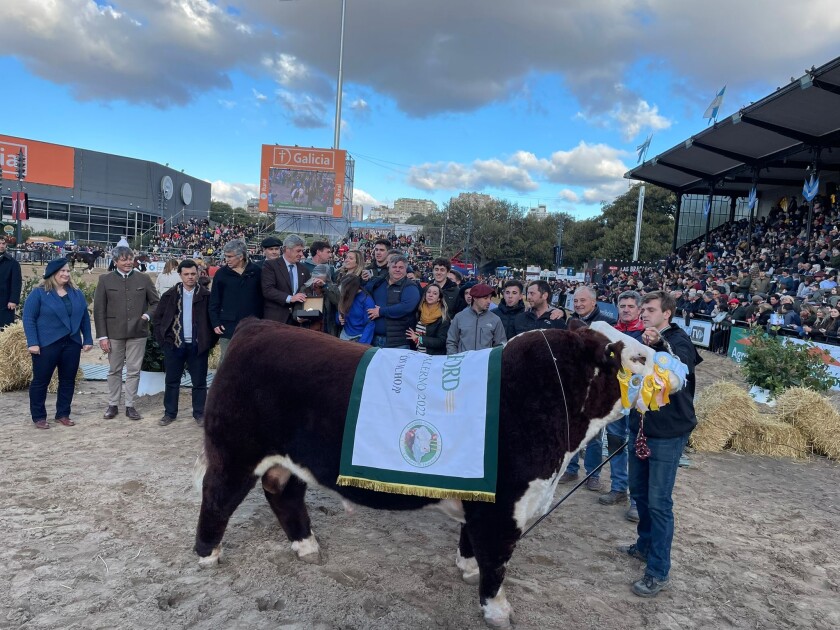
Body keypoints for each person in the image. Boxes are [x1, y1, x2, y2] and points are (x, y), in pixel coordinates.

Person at [618, 290, 700, 597]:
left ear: (666, 313)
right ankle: (644, 544)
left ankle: (658, 570)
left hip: (668, 432)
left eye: (650, 309)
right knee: (638, 492)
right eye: (643, 309)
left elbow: (680, 367)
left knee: (659, 502)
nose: (644, 314)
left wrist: (658, 344)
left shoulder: (678, 340)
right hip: (640, 426)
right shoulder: (642, 339)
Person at [22, 258, 93, 429]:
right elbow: (28, 318)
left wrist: (88, 339)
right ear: (53, 274)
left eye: (68, 271)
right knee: (41, 381)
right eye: (62, 271)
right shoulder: (39, 293)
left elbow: (84, 317)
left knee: (68, 380)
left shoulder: (77, 293)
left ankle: (63, 414)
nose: (66, 274)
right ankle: (39, 417)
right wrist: (33, 342)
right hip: (47, 343)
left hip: (72, 343)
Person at [93, 246, 159, 421]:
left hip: (138, 332)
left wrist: (146, 316)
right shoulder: (105, 280)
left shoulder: (144, 279)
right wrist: (102, 336)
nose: (129, 262)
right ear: (115, 262)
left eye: (130, 258)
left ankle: (130, 405)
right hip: (113, 333)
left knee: (133, 370)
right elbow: (99, 310)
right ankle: (113, 404)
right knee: (114, 370)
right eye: (124, 259)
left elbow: (156, 303)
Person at [152, 259, 217, 427]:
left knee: (199, 382)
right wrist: (164, 341)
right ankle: (170, 413)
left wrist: (208, 342)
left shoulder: (206, 296)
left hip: (197, 346)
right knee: (172, 381)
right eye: (186, 274)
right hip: (174, 345)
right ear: (180, 275)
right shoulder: (169, 295)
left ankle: (200, 413)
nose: (190, 277)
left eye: (193, 274)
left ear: (198, 274)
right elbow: (158, 320)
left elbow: (213, 321)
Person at [600, 290, 644, 521]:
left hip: (639, 400)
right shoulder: (611, 332)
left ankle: (636, 500)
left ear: (639, 309)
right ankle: (618, 488)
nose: (626, 309)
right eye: (622, 305)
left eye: (630, 306)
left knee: (637, 448)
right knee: (615, 444)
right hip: (615, 399)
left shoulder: (646, 334)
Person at [208, 239, 264, 363]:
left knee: (251, 361)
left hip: (252, 325)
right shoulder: (221, 274)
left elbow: (263, 298)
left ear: (241, 256)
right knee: (227, 361)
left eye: (230, 256)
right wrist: (215, 322)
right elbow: (214, 301)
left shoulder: (256, 271)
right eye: (225, 256)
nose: (226, 259)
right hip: (227, 326)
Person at [365, 254, 421, 348]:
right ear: (388, 267)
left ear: (406, 269)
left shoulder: (410, 286)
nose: (397, 270)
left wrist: (381, 311)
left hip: (398, 342)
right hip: (375, 338)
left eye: (401, 267)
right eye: (394, 267)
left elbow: (406, 307)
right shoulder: (379, 282)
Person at [262, 234, 311, 325]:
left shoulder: (304, 270)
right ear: (287, 249)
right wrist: (290, 298)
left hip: (296, 322)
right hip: (275, 320)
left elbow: (306, 293)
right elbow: (268, 290)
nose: (301, 254)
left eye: (302, 251)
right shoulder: (271, 265)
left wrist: (302, 314)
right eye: (298, 251)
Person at [446, 283, 506, 354]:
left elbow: (500, 345)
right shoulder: (459, 317)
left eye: (490, 298)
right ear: (474, 298)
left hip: (484, 363)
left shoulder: (495, 319)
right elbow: (451, 341)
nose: (489, 301)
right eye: (485, 298)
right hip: (463, 363)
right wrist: (454, 360)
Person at [406, 284, 451, 355]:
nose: (431, 295)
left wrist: (420, 339)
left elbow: (441, 341)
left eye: (435, 293)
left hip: (433, 358)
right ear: (425, 295)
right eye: (428, 292)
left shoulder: (443, 318)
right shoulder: (418, 312)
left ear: (439, 298)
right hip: (417, 355)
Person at [337, 274, 375, 343]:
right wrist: (339, 317)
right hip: (344, 335)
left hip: (360, 337)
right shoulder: (346, 295)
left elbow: (370, 324)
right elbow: (340, 310)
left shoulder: (367, 301)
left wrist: (361, 344)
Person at [0, 235, 22, 329]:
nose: (1, 246)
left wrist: (13, 300)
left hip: (5, 302)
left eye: (3, 243)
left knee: (4, 328)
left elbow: (16, 283)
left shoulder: (13, 263)